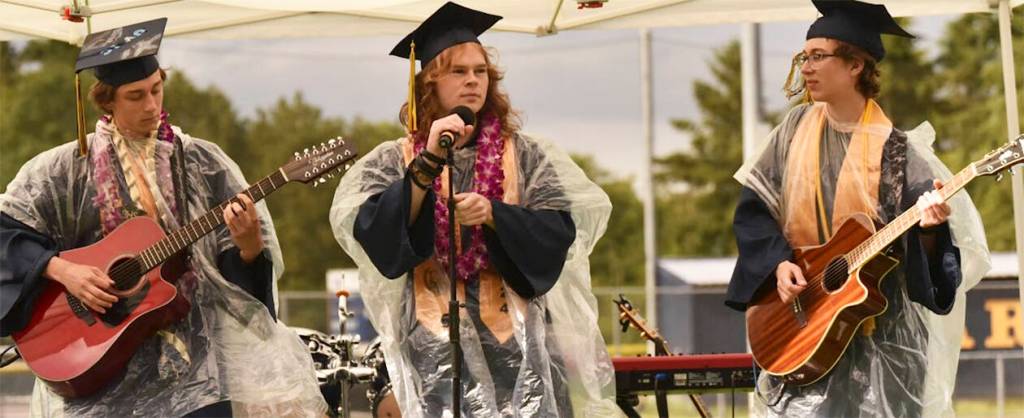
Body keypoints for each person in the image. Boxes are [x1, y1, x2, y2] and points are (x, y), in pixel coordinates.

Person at [0, 18, 325, 417]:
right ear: (107, 100)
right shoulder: (62, 170)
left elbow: (242, 295)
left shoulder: (205, 164)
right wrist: (63, 271)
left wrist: (249, 247)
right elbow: (5, 235)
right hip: (99, 374)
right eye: (135, 96)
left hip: (199, 380)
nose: (152, 105)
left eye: (156, 89)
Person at [329, 2, 620, 417]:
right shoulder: (394, 159)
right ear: (429, 82)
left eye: (480, 71)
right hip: (433, 352)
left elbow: (558, 232)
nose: (472, 81)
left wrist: (495, 215)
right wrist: (426, 164)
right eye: (459, 71)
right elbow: (376, 234)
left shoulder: (525, 155)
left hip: (521, 351)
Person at [726, 1, 990, 417]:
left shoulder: (900, 154)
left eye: (818, 56)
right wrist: (777, 264)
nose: (806, 68)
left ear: (854, 66)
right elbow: (754, 212)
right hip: (801, 324)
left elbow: (931, 265)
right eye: (803, 57)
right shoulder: (791, 134)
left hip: (883, 343)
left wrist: (931, 229)